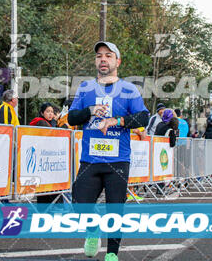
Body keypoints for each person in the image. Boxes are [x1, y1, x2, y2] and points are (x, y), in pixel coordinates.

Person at [68, 41, 149, 261]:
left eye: (108, 56)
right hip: (90, 160)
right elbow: (71, 118)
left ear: (117, 61)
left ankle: (112, 254)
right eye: (99, 56)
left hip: (118, 161)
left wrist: (118, 120)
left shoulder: (129, 89)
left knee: (115, 210)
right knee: (79, 204)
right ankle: (93, 230)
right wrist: (91, 110)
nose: (103, 59)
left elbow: (143, 117)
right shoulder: (85, 88)